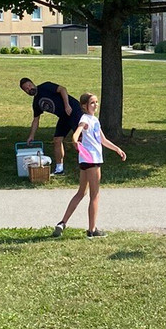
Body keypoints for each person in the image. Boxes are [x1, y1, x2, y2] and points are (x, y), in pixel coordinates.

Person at [53, 92, 126, 238]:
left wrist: (117, 149)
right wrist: (75, 141)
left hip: (85, 161)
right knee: (95, 195)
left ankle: (62, 223)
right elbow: (77, 132)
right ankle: (92, 230)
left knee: (81, 192)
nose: (95, 105)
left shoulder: (94, 120)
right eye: (92, 103)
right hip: (92, 161)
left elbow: (103, 140)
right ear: (84, 106)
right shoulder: (85, 119)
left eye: (96, 102)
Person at [20, 77, 83, 176]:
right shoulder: (36, 103)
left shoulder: (45, 86)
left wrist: (67, 105)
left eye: (29, 85)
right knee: (57, 140)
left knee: (80, 139)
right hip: (64, 117)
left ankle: (87, 164)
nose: (29, 89)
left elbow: (62, 89)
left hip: (74, 111)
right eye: (26, 89)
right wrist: (31, 136)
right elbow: (36, 120)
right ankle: (59, 169)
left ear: (32, 83)